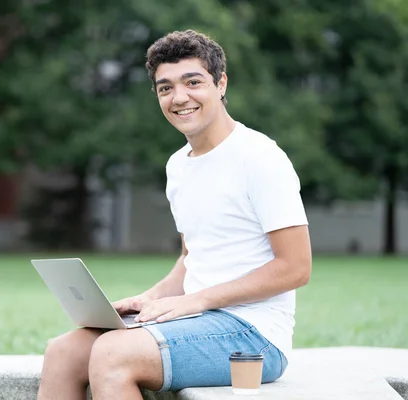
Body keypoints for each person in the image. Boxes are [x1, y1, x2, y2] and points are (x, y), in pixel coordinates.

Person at [37, 29, 312, 400]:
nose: (179, 97)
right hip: (197, 321)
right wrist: (148, 299)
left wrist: (198, 300)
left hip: (255, 336)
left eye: (193, 82)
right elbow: (192, 257)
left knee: (112, 354)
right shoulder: (178, 166)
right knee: (63, 352)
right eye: (165, 88)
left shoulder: (260, 158)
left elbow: (296, 267)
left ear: (221, 83)